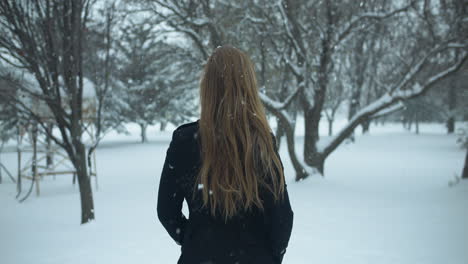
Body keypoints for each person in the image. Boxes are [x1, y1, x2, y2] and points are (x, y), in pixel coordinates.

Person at [157, 45, 294, 264]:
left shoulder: (185, 141)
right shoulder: (262, 142)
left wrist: (196, 242)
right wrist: (268, 256)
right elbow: (282, 219)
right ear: (248, 86)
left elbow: (166, 212)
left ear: (207, 87)